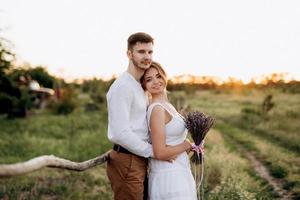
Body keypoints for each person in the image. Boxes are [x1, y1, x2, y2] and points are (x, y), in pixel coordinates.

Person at [106, 33, 191, 200]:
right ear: (129, 54)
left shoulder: (139, 86)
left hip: (140, 158)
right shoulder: (122, 87)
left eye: (150, 52)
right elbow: (119, 133)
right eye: (141, 51)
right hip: (128, 159)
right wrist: (155, 152)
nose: (147, 57)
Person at [140, 61, 197, 200]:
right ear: (144, 85)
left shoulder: (167, 105)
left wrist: (194, 146)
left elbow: (172, 142)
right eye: (149, 79)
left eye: (158, 76)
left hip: (180, 172)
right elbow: (159, 152)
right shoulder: (157, 109)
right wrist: (186, 145)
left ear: (164, 77)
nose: (155, 81)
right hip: (168, 177)